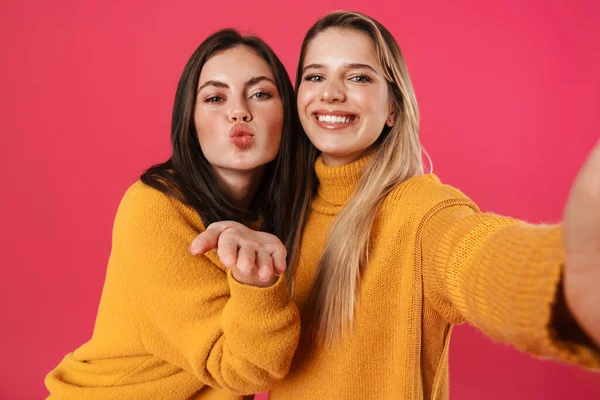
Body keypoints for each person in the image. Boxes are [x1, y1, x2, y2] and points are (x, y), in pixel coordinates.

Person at [191, 11, 600, 399]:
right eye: (316, 76)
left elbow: (480, 259)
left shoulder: (422, 212)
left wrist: (569, 279)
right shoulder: (288, 214)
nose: (331, 93)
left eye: (358, 77)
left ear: (392, 108)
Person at [45, 28, 308, 399]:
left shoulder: (283, 213)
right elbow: (244, 370)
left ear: (287, 115)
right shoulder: (153, 208)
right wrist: (259, 283)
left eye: (261, 94)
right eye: (215, 97)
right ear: (190, 119)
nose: (239, 112)